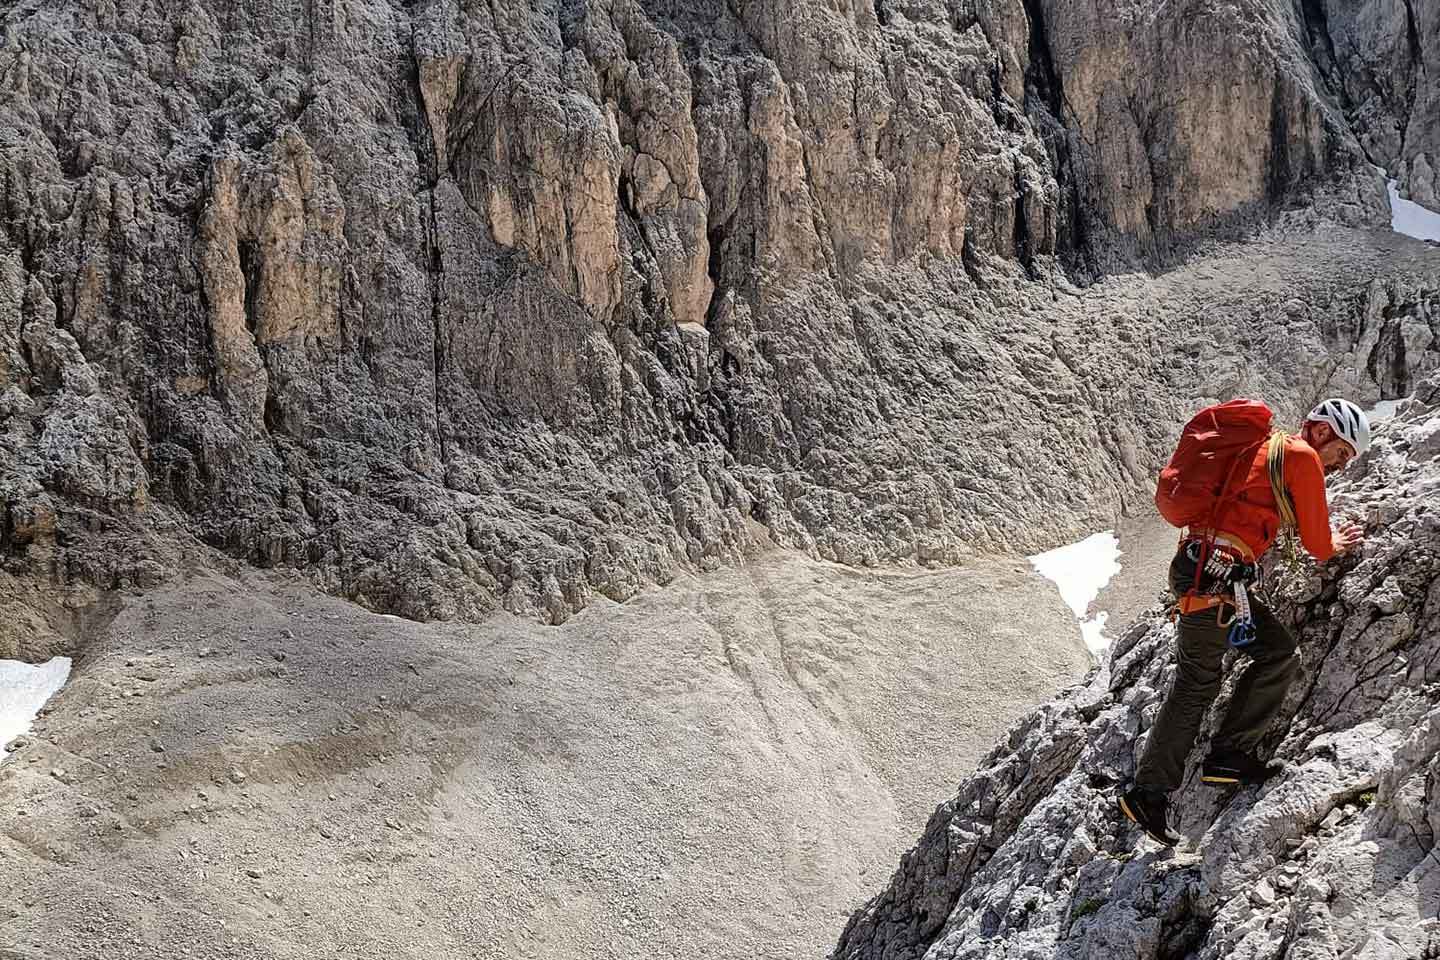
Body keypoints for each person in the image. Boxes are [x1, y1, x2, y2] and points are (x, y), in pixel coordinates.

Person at [1119, 398, 1371, 846]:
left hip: (1213, 571)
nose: (1338, 465)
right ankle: (1147, 792)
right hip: (1212, 575)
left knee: (1277, 654)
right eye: (1341, 454)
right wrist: (1336, 543)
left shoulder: (1272, 452)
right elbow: (1316, 542)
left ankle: (1229, 758)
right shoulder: (1300, 456)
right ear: (1322, 432)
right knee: (1197, 682)